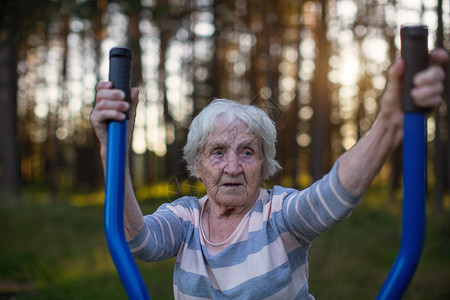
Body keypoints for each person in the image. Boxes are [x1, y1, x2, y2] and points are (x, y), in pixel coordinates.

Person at [90, 49, 448, 299]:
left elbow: (333, 196)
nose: (233, 167)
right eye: (217, 153)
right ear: (197, 165)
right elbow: (138, 241)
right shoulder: (185, 218)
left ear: (264, 163)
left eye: (247, 152)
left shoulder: (279, 214)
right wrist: (112, 148)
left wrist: (387, 124)